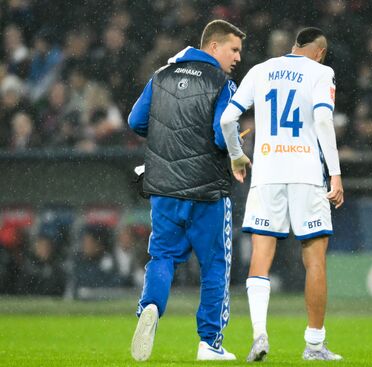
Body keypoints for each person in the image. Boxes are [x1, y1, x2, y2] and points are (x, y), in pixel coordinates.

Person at [220, 27, 344, 361]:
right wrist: (335, 172)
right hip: (305, 172)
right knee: (314, 258)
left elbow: (229, 118)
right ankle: (315, 345)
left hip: (268, 170)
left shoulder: (260, 71)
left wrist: (236, 155)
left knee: (261, 253)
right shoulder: (321, 72)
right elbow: (322, 120)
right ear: (319, 51)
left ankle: (259, 334)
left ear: (293, 46)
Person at [127, 20, 245, 362]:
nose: (238, 57)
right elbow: (222, 134)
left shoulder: (161, 76)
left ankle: (150, 306)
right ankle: (210, 343)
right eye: (233, 49)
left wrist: (172, 137)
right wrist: (237, 150)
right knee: (215, 266)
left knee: (162, 257)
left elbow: (136, 121)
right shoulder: (222, 82)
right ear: (213, 47)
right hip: (207, 190)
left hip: (163, 188)